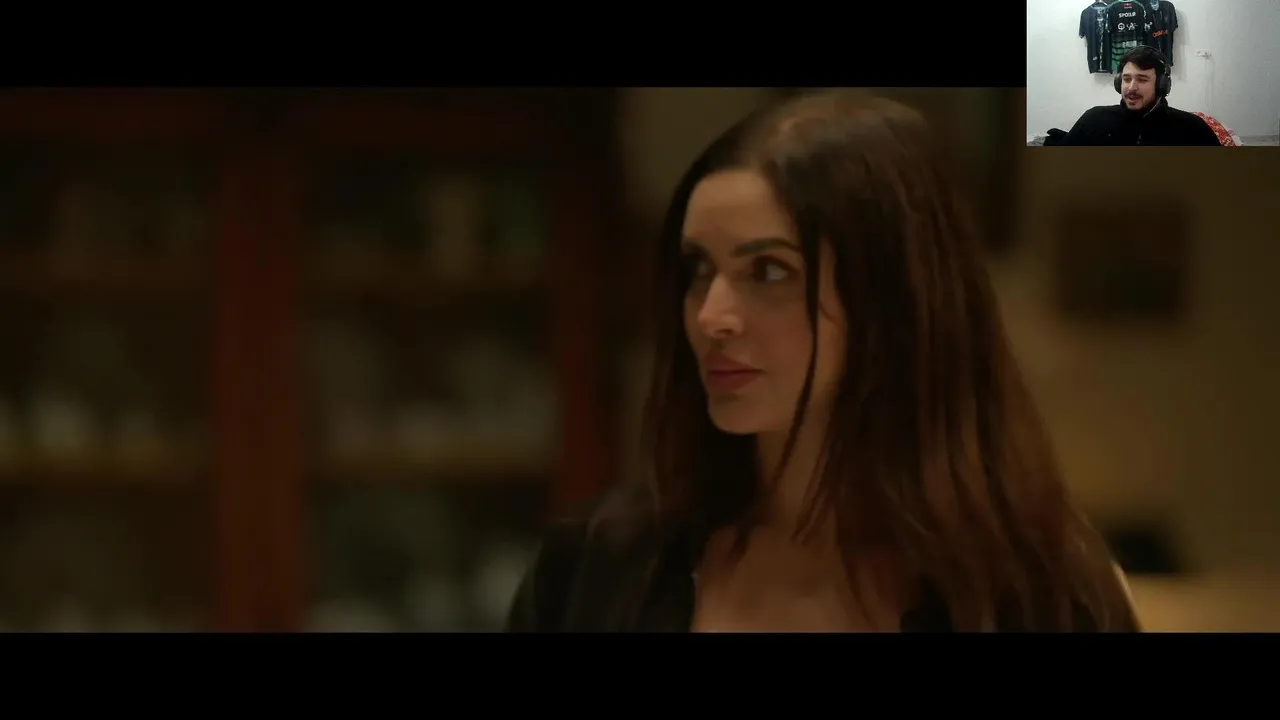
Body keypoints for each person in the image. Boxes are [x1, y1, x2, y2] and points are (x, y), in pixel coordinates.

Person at [506, 89, 1142, 632]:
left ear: (890, 301)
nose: (710, 316)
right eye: (699, 269)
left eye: (768, 271)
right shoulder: (600, 566)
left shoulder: (1034, 596)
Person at [1061, 45, 1220, 146]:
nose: (1131, 87)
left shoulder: (1192, 128)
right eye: (1126, 79)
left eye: (1142, 80)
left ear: (1161, 85)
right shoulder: (1093, 119)